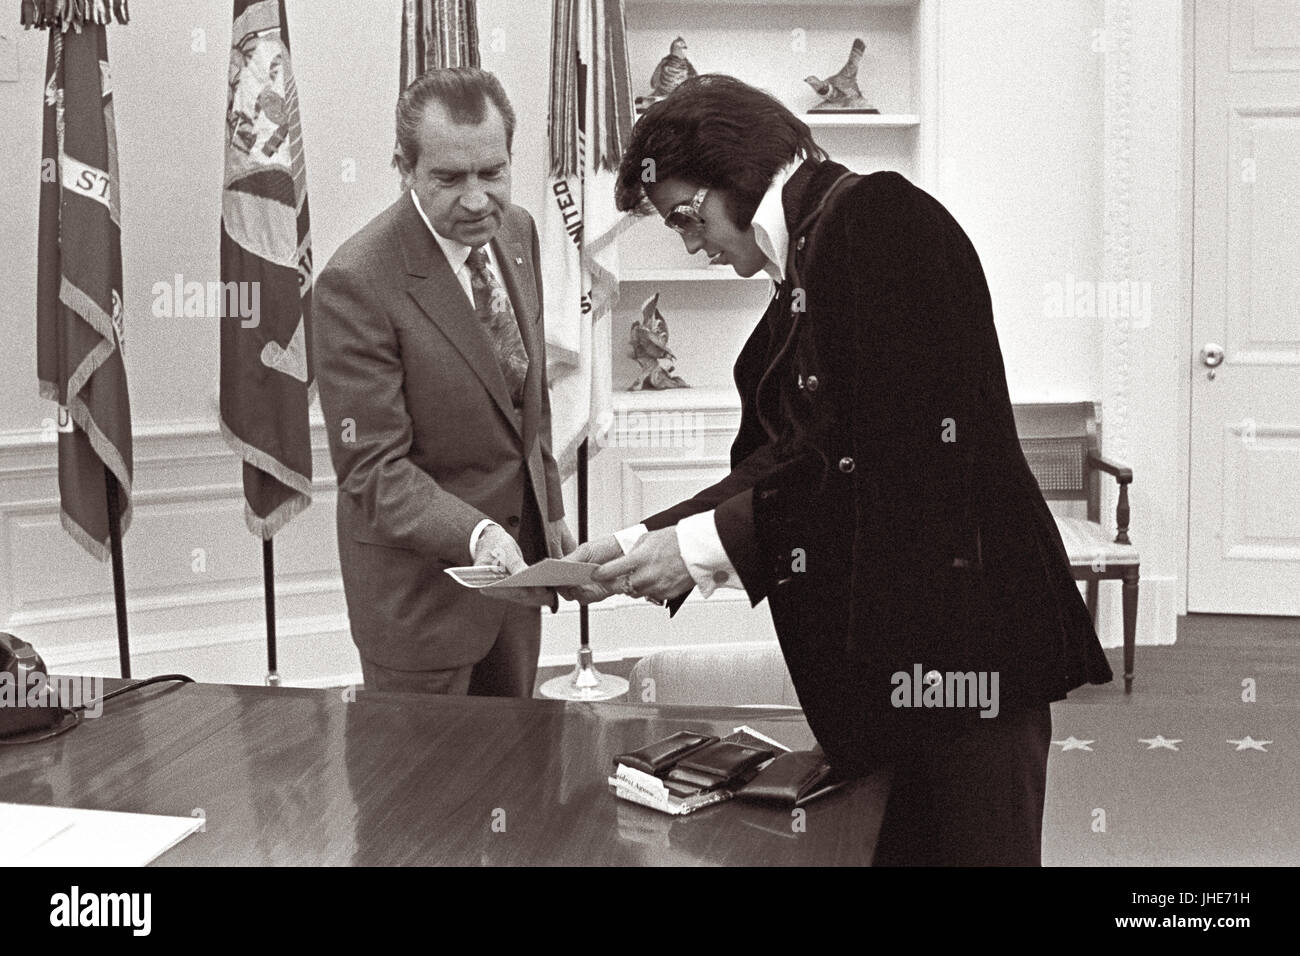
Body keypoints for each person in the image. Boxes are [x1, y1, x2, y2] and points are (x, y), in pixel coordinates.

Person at [565, 75, 1114, 864]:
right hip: (898, 671)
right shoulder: (811, 261)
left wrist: (690, 549)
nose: (692, 243)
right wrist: (636, 539)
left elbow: (897, 456)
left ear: (741, 168)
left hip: (964, 662)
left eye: (688, 216)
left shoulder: (879, 219)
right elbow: (786, 458)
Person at [314, 67, 573, 698]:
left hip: (516, 590)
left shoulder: (518, 235)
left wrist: (553, 514)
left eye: (493, 172)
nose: (479, 199)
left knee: (518, 774)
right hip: (418, 606)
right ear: (403, 167)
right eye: (449, 178)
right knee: (417, 794)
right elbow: (373, 470)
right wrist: (478, 534)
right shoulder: (356, 281)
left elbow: (524, 402)